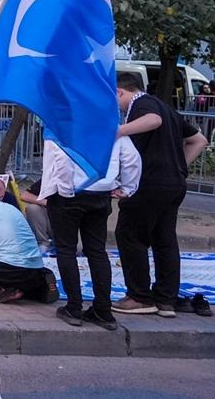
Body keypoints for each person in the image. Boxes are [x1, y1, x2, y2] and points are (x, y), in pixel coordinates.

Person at [114, 72, 208, 317]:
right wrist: (180, 167)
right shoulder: (166, 108)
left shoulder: (142, 104)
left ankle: (139, 296)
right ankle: (166, 299)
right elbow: (199, 140)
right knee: (164, 239)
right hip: (173, 183)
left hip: (150, 183)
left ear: (120, 91)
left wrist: (119, 131)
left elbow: (153, 120)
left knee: (129, 235)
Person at [41, 136, 141, 330]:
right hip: (101, 192)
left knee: (66, 250)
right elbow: (131, 158)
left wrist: (65, 190)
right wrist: (128, 187)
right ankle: (103, 310)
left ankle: (74, 307)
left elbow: (62, 158)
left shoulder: (65, 120)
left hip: (70, 192)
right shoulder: (110, 123)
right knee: (97, 251)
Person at [0, 194, 58, 305]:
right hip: (35, 268)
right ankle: (12, 288)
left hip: (14, 270)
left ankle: (6, 288)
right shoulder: (9, 207)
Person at [17, 179, 52, 253]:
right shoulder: (49, 179)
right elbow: (24, 195)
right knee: (32, 208)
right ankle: (43, 243)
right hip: (50, 216)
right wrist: (48, 203)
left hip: (68, 220)